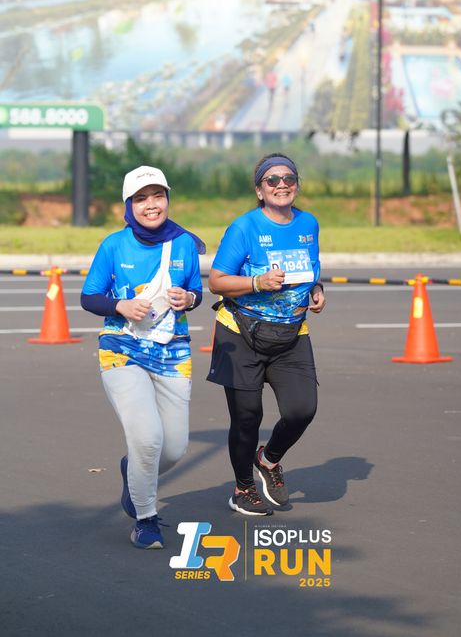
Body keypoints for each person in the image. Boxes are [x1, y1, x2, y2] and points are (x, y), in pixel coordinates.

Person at [81, 165, 204, 549]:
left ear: (167, 199)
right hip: (122, 349)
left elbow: (196, 292)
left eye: (157, 196)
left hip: (172, 352)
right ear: (128, 205)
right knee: (148, 439)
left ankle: (132, 467)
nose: (151, 205)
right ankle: (145, 519)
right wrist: (120, 305)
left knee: (173, 448)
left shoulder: (184, 243)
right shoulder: (114, 245)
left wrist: (189, 298)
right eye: (141, 198)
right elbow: (89, 297)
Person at [207, 153, 325, 516]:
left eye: (289, 178)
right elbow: (217, 282)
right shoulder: (244, 228)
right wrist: (257, 282)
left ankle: (268, 459)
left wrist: (316, 289)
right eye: (272, 180)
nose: (281, 185)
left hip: (291, 333)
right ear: (260, 190)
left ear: (297, 185)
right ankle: (243, 488)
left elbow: (309, 269)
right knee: (247, 417)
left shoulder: (308, 224)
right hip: (240, 333)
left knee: (302, 409)